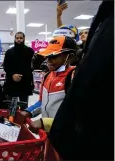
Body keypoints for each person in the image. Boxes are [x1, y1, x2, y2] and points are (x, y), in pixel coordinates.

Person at [48, 1, 114, 160]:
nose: (50, 60)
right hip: (69, 137)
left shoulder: (72, 72)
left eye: (54, 56)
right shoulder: (104, 21)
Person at [21, 36, 77, 161]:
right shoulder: (47, 76)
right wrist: (27, 112)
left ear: (70, 57)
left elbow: (77, 116)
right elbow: (41, 102)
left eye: (54, 56)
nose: (49, 60)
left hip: (66, 139)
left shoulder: (74, 78)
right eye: (48, 56)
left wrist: (44, 123)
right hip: (49, 136)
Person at [3, 32, 34, 109]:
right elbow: (6, 66)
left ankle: (23, 121)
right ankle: (11, 121)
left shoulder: (30, 51)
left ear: (24, 39)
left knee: (24, 107)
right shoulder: (9, 52)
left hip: (25, 83)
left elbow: (32, 66)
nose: (19, 40)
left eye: (21, 38)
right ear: (15, 39)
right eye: (17, 38)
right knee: (11, 107)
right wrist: (13, 75)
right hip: (11, 83)